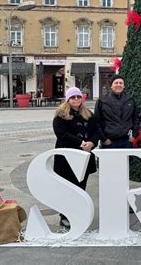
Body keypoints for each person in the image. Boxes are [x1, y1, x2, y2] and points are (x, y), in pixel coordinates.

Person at [53, 87, 100, 229]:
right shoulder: (60, 115)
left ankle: (78, 212)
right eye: (73, 97)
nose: (76, 100)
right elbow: (62, 134)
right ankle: (65, 215)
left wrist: (92, 142)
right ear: (68, 99)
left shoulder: (88, 114)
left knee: (81, 185)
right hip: (67, 158)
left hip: (85, 155)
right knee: (68, 186)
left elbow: (96, 131)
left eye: (78, 97)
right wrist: (80, 143)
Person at [94, 74, 140, 149]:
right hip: (109, 142)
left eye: (121, 83)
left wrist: (134, 135)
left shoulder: (130, 100)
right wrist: (104, 139)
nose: (118, 85)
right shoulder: (102, 101)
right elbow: (97, 121)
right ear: (111, 86)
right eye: (116, 83)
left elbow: (135, 118)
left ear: (124, 86)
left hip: (127, 141)